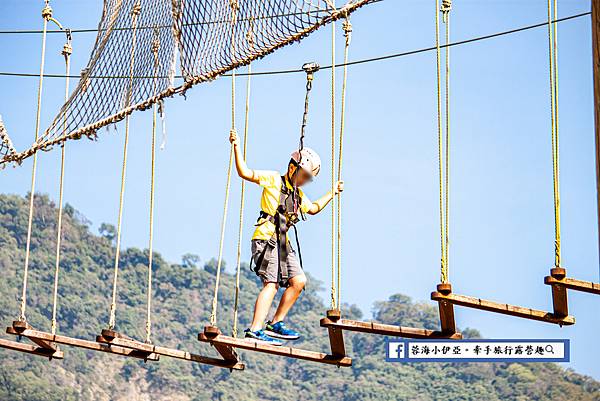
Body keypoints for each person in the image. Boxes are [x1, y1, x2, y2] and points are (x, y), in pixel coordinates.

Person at [229, 130, 343, 345]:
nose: (305, 181)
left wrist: (333, 192)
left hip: (283, 243)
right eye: (304, 176)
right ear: (293, 168)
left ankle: (275, 323)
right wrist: (236, 145)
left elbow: (314, 208)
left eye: (309, 179)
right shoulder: (273, 179)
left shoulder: (297, 195)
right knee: (271, 284)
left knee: (299, 281)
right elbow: (244, 172)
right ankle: (255, 328)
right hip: (266, 238)